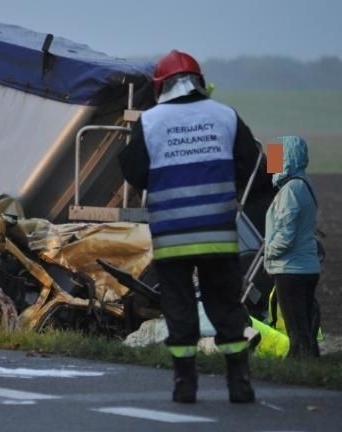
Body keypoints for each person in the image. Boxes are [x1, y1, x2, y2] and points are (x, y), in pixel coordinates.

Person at [118, 49, 261, 404]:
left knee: (179, 306)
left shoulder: (150, 122)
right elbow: (253, 162)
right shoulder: (225, 115)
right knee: (226, 307)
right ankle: (239, 382)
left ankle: (185, 385)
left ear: (160, 87)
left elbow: (132, 171)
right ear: (200, 81)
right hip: (218, 234)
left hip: (172, 236)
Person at [263, 135, 321, 359]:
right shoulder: (303, 184)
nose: (273, 163)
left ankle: (301, 368)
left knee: (297, 330)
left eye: (277, 157)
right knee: (304, 326)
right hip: (303, 267)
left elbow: (286, 234)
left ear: (288, 158)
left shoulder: (291, 190)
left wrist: (269, 251)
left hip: (291, 269)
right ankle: (309, 363)